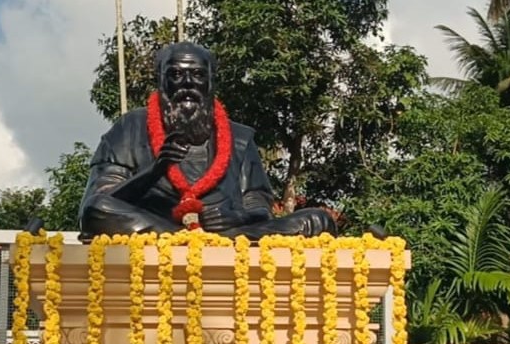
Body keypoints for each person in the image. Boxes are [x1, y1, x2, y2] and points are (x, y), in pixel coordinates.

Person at [78, 41, 337, 240]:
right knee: (97, 209)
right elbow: (99, 202)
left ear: (211, 81)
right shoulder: (130, 127)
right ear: (161, 80)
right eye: (176, 75)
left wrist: (237, 217)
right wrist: (154, 171)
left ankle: (206, 243)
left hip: (230, 237)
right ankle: (182, 241)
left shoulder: (240, 138)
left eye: (198, 75)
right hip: (157, 232)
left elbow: (259, 208)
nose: (188, 83)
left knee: (318, 221)